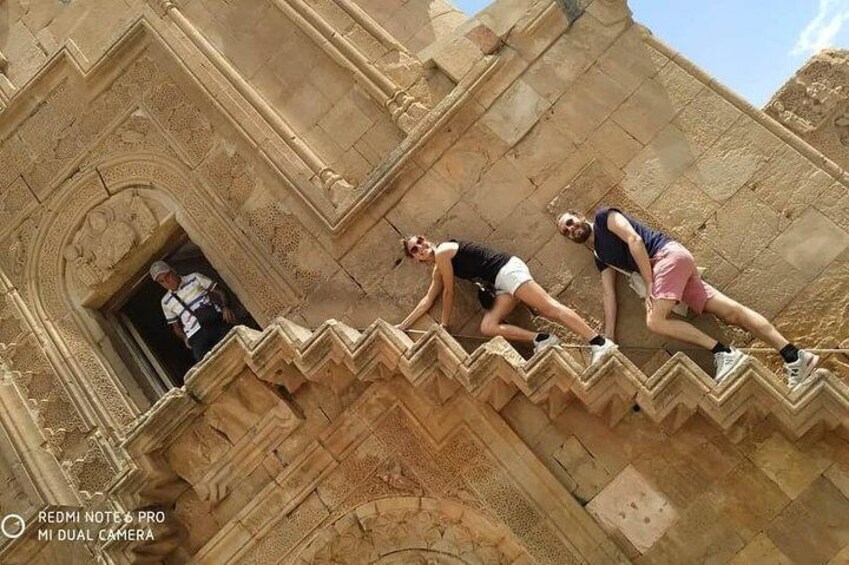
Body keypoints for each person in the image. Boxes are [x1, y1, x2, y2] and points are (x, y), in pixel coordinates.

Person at [555, 208, 819, 386]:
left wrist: (649, 283)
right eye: (565, 233)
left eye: (570, 223)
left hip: (665, 257)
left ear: (579, 216)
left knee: (655, 321)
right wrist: (609, 336)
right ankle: (795, 355)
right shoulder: (599, 257)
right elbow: (608, 293)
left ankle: (725, 353)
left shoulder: (604, 217)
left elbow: (634, 240)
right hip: (670, 269)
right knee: (731, 312)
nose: (571, 230)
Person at [396, 236, 617, 365]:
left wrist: (444, 324)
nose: (422, 247)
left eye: (421, 241)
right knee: (488, 326)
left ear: (426, 238)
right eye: (415, 249)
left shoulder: (444, 251)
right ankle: (543, 339)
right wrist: (403, 326)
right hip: (501, 283)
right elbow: (427, 299)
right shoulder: (439, 267)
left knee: (549, 308)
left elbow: (448, 293)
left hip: (506, 271)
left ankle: (600, 342)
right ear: (416, 259)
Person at [150, 261, 237, 363]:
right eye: (162, 281)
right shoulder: (165, 301)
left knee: (235, 347)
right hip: (195, 336)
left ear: (173, 271)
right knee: (208, 366)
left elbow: (221, 291)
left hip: (214, 322)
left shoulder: (194, 278)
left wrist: (226, 307)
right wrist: (184, 338)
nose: (167, 282)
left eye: (167, 276)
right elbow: (175, 326)